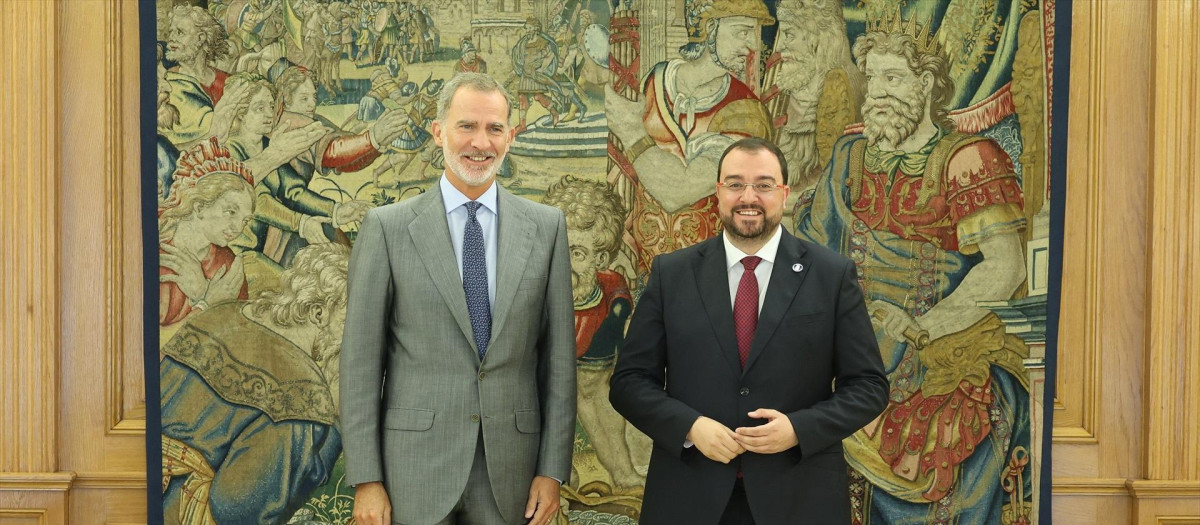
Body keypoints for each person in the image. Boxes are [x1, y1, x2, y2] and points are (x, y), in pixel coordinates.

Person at [794, 10, 1033, 524]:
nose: (875, 92)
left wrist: (921, 327)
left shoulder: (968, 157)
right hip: (853, 344)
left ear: (925, 84)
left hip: (939, 348)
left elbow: (1005, 267)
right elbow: (812, 255)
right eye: (872, 78)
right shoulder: (849, 156)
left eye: (892, 77)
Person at [610, 137, 889, 524]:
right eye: (736, 183)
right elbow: (628, 383)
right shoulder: (671, 274)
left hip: (801, 499)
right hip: (689, 498)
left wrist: (798, 429)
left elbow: (869, 386)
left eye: (763, 184)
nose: (749, 197)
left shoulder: (831, 276)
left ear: (785, 193)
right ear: (718, 192)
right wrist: (690, 427)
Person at [340, 72, 577, 525]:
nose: (480, 143)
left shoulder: (546, 228)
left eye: (494, 128)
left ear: (510, 136)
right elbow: (360, 365)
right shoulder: (387, 228)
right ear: (438, 132)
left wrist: (552, 470)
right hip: (412, 471)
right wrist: (366, 480)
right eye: (466, 126)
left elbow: (559, 363)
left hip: (512, 472)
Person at [159, 243, 348, 524]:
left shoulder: (224, 314)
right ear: (320, 313)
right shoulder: (303, 391)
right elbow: (238, 506)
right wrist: (335, 426)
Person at [157, 138, 255, 327]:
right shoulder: (158, 252)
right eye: (230, 212)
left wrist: (202, 293)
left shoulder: (228, 265)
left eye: (245, 220)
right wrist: (206, 304)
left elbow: (238, 337)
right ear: (200, 206)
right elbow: (151, 345)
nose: (238, 228)